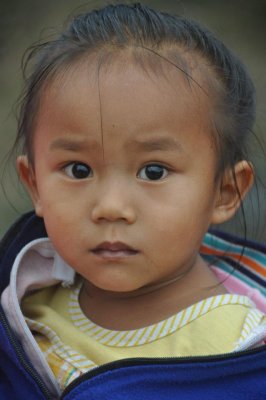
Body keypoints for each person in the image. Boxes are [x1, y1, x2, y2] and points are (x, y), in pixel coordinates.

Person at [0, 3, 265, 399]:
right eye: (78, 169)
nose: (110, 207)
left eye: (154, 172)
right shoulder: (24, 301)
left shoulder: (237, 347)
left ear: (224, 191)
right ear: (35, 184)